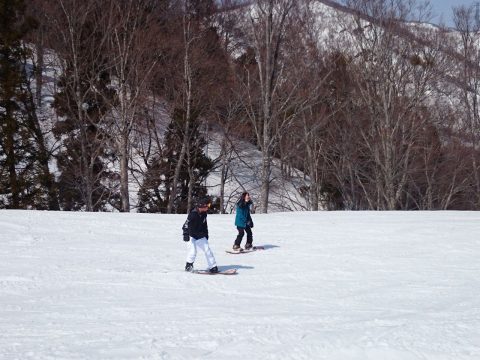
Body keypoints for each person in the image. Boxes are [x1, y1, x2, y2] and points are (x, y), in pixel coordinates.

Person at [182, 197, 218, 273]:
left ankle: (213, 267)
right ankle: (188, 266)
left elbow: (205, 225)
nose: (208, 208)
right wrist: (185, 234)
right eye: (207, 206)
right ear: (202, 206)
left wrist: (206, 234)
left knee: (207, 250)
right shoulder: (193, 214)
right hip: (191, 236)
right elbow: (185, 225)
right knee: (193, 251)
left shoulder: (204, 214)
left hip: (200, 235)